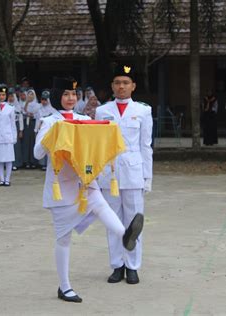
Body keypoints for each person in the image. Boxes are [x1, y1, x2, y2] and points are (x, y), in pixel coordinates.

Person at [34, 77, 144, 303]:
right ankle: (64, 287)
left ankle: (125, 235)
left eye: (74, 94)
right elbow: (37, 154)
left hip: (85, 183)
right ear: (57, 97)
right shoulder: (49, 122)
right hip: (61, 188)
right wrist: (54, 134)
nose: (70, 98)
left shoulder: (85, 119)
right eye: (65, 94)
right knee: (63, 238)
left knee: (102, 207)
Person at [95, 65, 153, 285]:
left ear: (133, 86)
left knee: (133, 219)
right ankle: (117, 265)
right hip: (108, 171)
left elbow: (146, 145)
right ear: (112, 86)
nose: (121, 86)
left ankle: (133, 266)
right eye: (117, 82)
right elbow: (98, 145)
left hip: (133, 170)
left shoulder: (142, 111)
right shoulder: (102, 111)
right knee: (113, 221)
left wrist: (148, 177)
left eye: (126, 82)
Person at [0, 86, 17, 186]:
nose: (1, 96)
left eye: (3, 95)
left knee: (8, 158)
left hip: (7, 136)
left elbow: (13, 124)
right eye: (0, 95)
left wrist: (14, 136)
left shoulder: (11, 108)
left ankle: (7, 179)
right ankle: (1, 179)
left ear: (6, 96)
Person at [35, 90, 55, 170]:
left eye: (45, 99)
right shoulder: (39, 109)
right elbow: (37, 120)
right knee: (42, 145)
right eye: (42, 99)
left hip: (50, 130)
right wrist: (36, 130)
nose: (44, 101)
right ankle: (43, 164)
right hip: (42, 130)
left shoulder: (52, 109)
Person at [21, 89, 40, 169]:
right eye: (29, 94)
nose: (30, 96)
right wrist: (27, 102)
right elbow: (23, 112)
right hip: (26, 124)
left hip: (33, 124)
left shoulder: (37, 105)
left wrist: (32, 115)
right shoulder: (24, 104)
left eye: (32, 94)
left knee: (32, 142)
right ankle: (26, 161)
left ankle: (33, 162)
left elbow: (37, 115)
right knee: (26, 143)